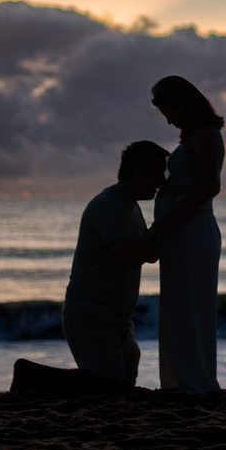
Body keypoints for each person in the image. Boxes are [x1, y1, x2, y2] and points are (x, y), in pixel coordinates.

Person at [62, 140, 168, 387]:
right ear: (137, 173)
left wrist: (165, 226)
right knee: (109, 387)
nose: (162, 181)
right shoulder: (107, 206)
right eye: (157, 173)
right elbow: (131, 255)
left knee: (121, 380)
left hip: (117, 319)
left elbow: (149, 254)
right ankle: (34, 378)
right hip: (91, 315)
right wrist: (165, 227)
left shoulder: (131, 208)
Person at [145, 75, 224, 393]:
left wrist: (170, 220)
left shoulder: (205, 136)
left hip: (190, 231)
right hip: (181, 231)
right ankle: (181, 380)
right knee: (179, 306)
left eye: (168, 111)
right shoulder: (194, 136)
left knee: (191, 307)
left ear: (183, 104)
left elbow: (209, 186)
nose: (167, 120)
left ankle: (194, 382)